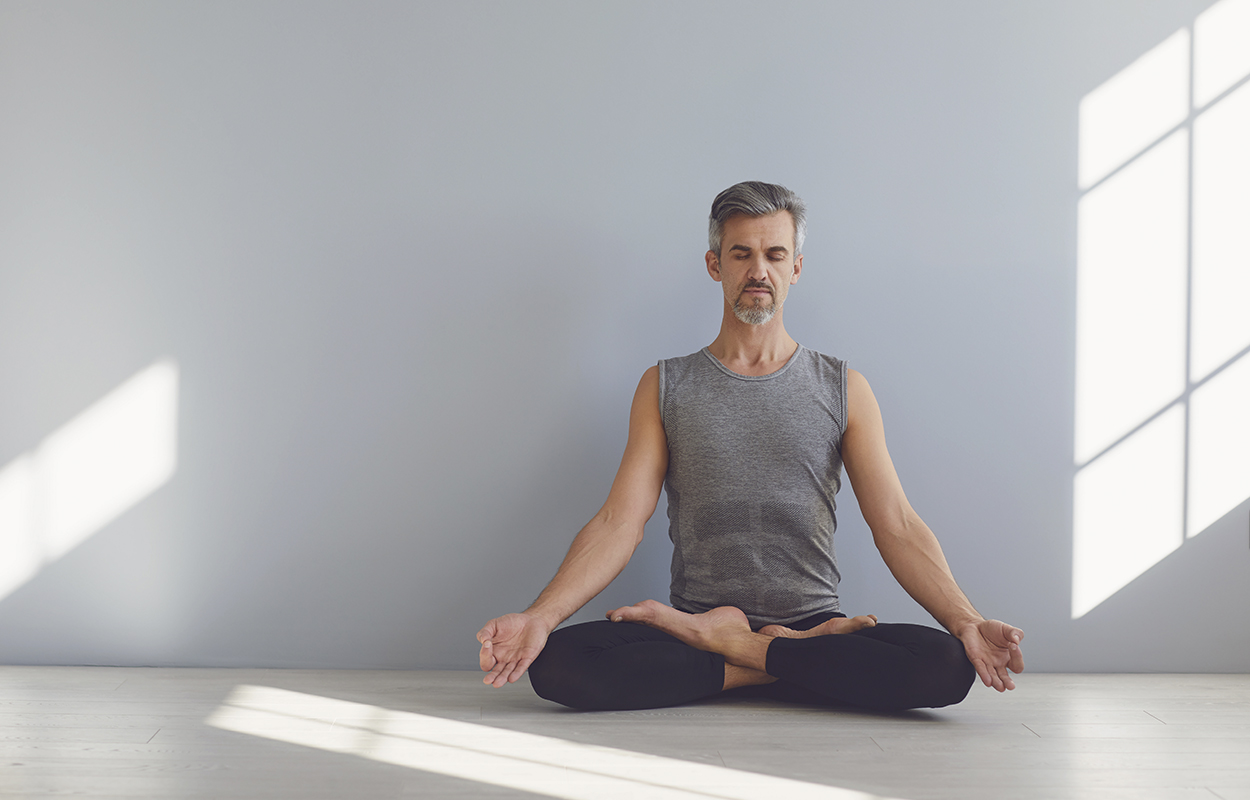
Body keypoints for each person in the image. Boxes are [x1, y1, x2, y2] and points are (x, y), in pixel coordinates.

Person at [476, 181, 1024, 711]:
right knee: (560, 663)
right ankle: (785, 666)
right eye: (741, 254)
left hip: (814, 627)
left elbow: (897, 525)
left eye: (774, 254)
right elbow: (619, 521)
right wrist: (540, 617)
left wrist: (967, 621)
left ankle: (739, 652)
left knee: (946, 664)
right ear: (716, 265)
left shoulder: (843, 387)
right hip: (693, 627)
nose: (758, 270)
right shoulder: (665, 385)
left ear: (796, 269)